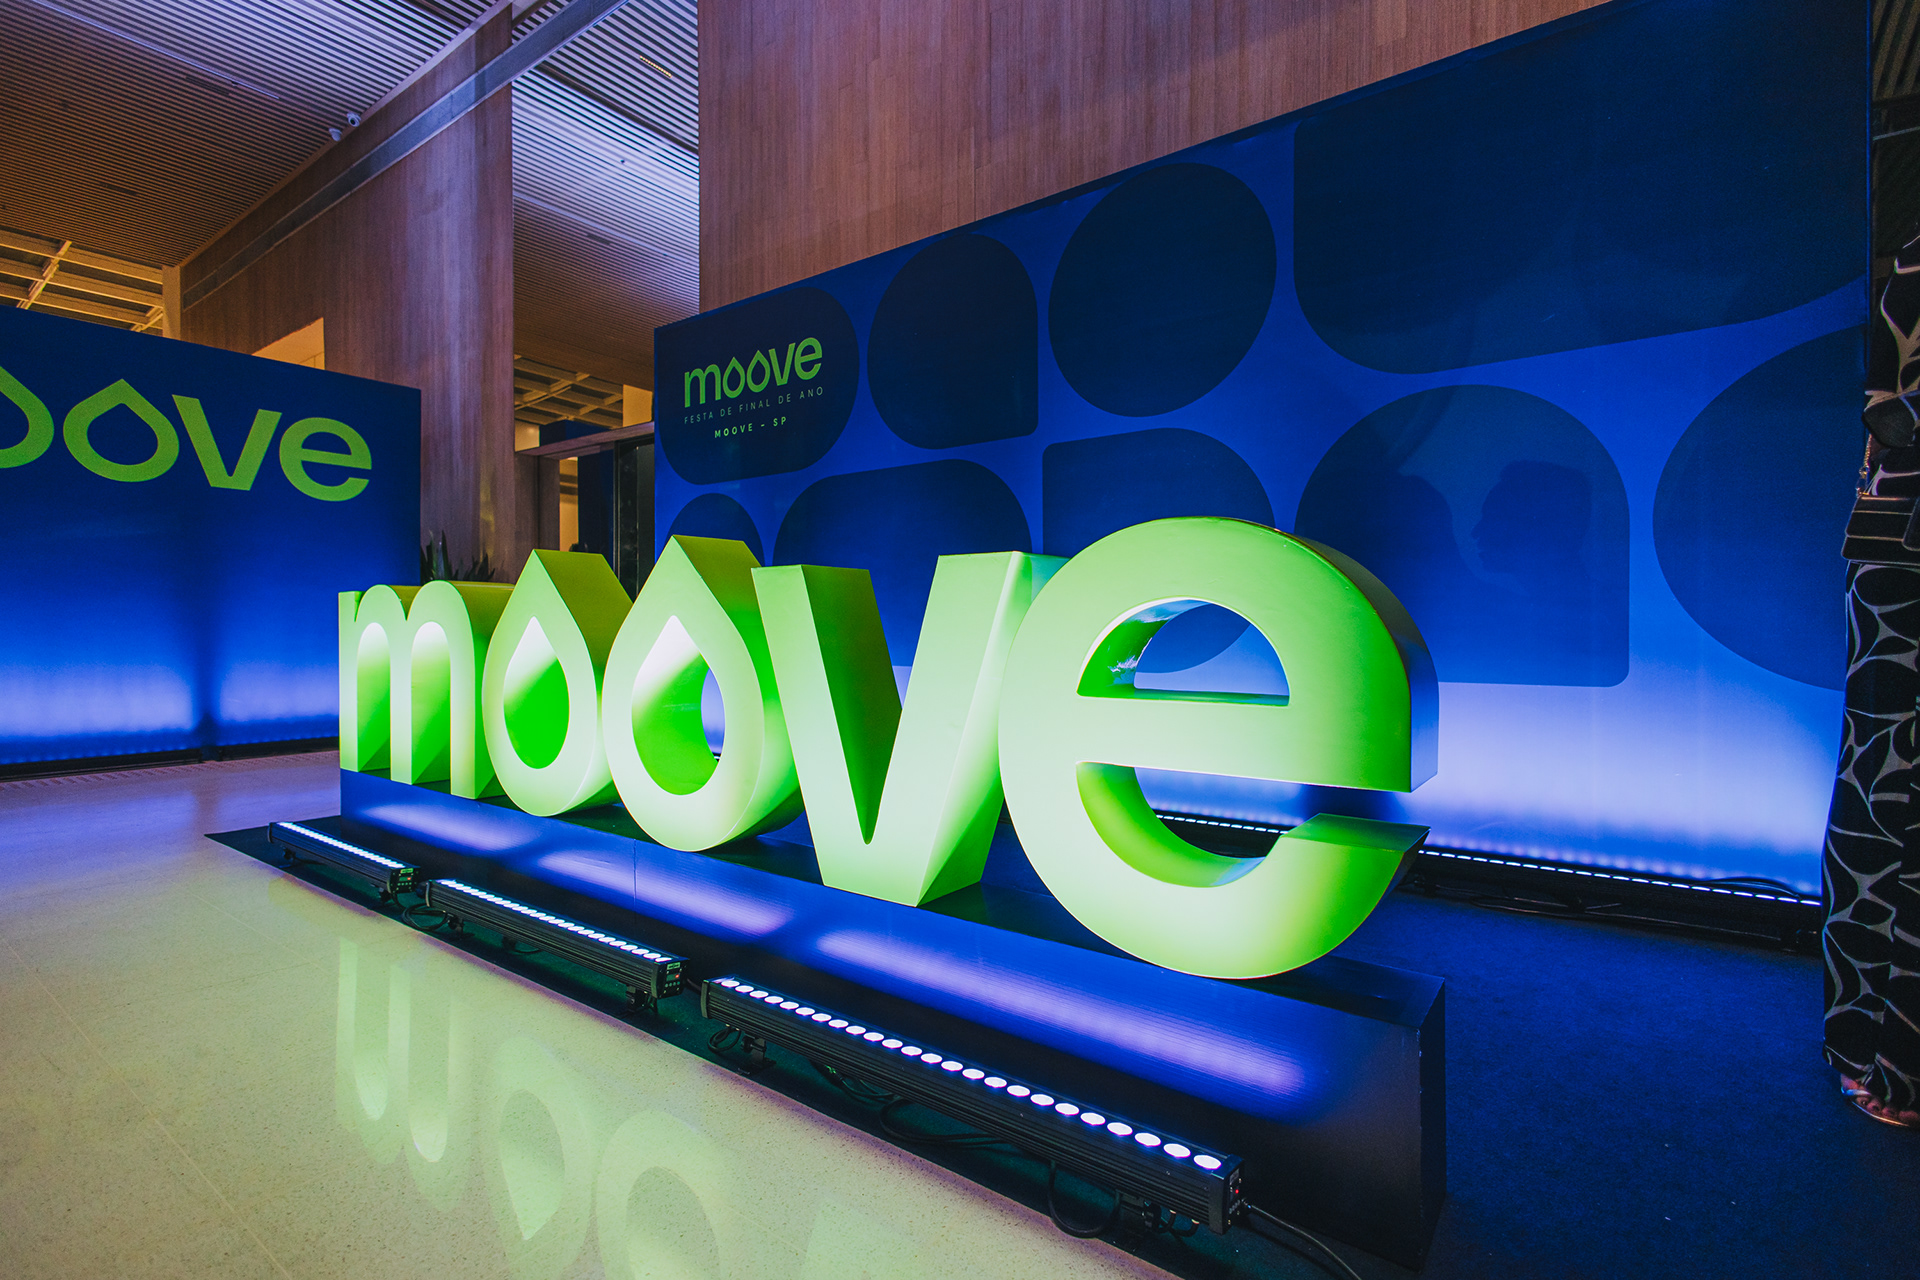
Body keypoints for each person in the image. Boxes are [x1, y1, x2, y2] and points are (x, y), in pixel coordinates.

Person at [1826, 230, 1920, 1129]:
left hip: (1893, 543)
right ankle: (1883, 1052)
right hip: (1899, 548)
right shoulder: (1909, 263)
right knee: (1887, 788)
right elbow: (1884, 410)